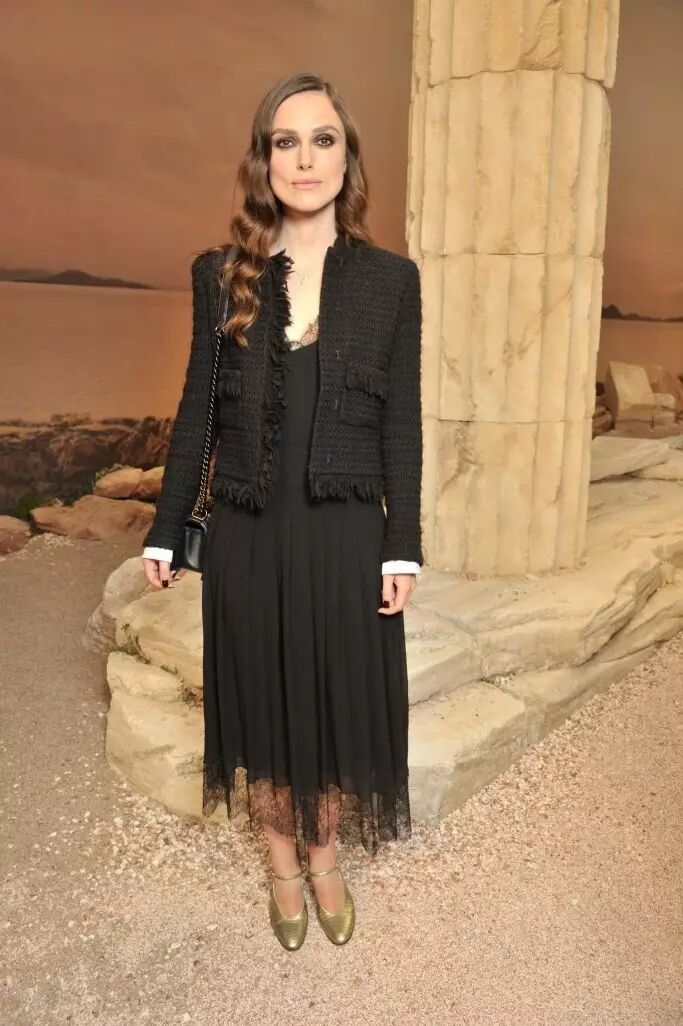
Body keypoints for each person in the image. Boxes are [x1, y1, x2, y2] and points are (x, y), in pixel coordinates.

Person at [141, 72, 423, 950]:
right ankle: (278, 862)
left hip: (345, 530)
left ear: (347, 157)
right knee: (261, 691)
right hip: (248, 527)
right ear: (263, 160)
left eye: (322, 139)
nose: (305, 159)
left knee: (335, 693)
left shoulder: (390, 281)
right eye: (285, 141)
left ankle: (325, 855)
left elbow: (402, 420)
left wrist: (401, 545)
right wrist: (166, 526)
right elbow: (197, 410)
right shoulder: (221, 274)